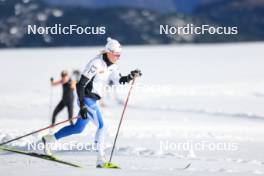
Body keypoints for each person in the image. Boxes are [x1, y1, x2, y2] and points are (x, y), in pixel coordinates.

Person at [42, 37, 142, 168]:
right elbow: (80, 85)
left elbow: (119, 80)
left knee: (78, 128)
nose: (118, 57)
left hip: (93, 100)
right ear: (108, 52)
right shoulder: (96, 63)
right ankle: (100, 160)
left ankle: (49, 139)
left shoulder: (112, 66)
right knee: (102, 126)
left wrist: (130, 76)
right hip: (86, 98)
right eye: (116, 55)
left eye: (120, 55)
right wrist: (82, 105)